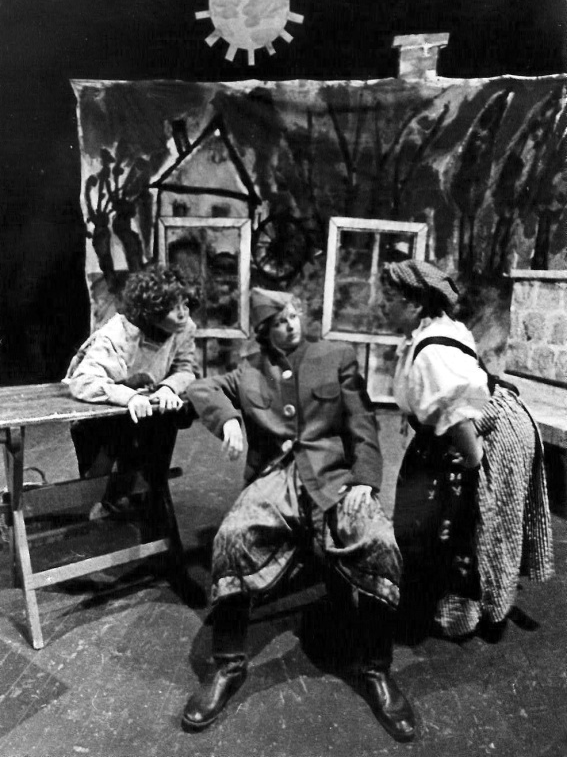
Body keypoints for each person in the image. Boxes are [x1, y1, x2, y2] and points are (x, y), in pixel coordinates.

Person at [181, 288, 415, 743]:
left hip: (332, 476)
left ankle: (375, 669)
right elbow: (201, 388)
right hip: (275, 480)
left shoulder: (335, 356)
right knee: (232, 537)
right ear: (264, 331)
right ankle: (228, 665)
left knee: (377, 540)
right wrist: (228, 418)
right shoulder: (249, 369)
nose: (290, 325)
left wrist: (365, 480)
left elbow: (362, 423)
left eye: (293, 315)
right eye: (279, 321)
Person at [379, 259, 553, 642]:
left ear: (415, 303)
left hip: (493, 430)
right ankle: (446, 601)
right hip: (481, 417)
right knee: (444, 516)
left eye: (389, 298)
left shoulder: (431, 351)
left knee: (479, 519)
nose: (381, 305)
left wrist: (473, 461)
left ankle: (471, 612)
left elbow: (461, 420)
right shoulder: (431, 330)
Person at [63, 264, 199, 517]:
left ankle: (147, 502)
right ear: (154, 310)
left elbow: (186, 368)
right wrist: (129, 397)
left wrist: (168, 387)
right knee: (96, 481)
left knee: (165, 425)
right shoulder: (118, 334)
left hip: (142, 409)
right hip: (98, 409)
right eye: (174, 307)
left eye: (185, 304)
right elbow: (83, 381)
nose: (183, 314)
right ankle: (97, 506)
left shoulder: (183, 327)